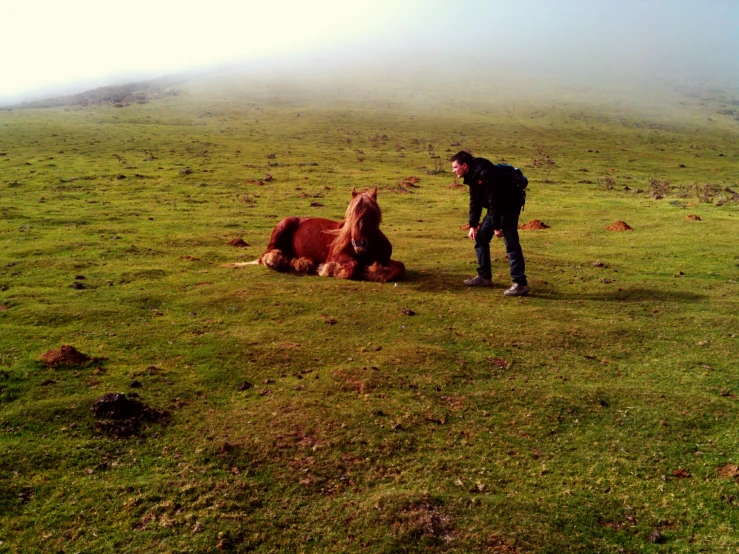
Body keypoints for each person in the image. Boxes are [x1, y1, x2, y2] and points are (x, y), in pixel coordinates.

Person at [450, 151, 529, 297]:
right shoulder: (473, 175)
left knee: (511, 244)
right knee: (481, 238)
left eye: (455, 167)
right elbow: (475, 201)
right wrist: (473, 225)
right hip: (497, 208)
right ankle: (484, 277)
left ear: (464, 165)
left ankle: (520, 284)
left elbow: (495, 201)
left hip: (509, 206)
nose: (453, 170)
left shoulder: (486, 173)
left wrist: (497, 227)